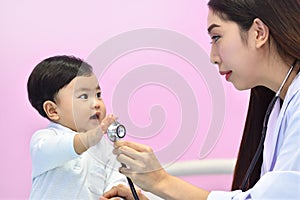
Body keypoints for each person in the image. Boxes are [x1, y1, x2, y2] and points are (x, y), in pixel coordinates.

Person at [100, 0, 300, 199]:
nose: (213, 57)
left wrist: (161, 182)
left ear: (258, 33)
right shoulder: (277, 110)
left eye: (217, 37)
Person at [27, 55, 128, 199]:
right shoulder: (44, 139)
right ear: (53, 110)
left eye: (98, 95)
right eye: (84, 96)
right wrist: (90, 138)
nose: (96, 103)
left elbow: (115, 177)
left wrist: (115, 196)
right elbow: (61, 148)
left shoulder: (103, 146)